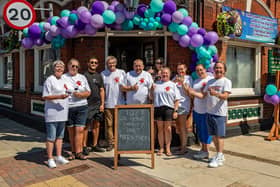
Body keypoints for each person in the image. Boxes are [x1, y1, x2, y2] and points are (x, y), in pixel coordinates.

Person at [189, 62, 231, 168]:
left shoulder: (226, 81)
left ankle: (220, 156)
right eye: (216, 68)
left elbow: (225, 96)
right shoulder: (210, 81)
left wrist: (216, 94)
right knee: (214, 136)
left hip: (219, 113)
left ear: (224, 70)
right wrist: (191, 91)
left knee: (219, 136)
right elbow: (203, 95)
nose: (218, 70)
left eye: (220, 68)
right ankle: (218, 154)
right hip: (209, 112)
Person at [42, 60, 69, 168]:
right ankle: (50, 158)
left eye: (61, 67)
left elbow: (69, 90)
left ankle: (58, 156)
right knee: (51, 137)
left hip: (63, 112)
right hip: (52, 113)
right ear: (54, 68)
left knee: (60, 137)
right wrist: (59, 97)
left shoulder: (65, 79)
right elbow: (45, 96)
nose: (59, 69)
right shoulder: (49, 80)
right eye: (57, 67)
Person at [63, 58, 91, 160]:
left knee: (79, 130)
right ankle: (73, 151)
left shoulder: (82, 77)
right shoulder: (63, 77)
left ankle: (79, 152)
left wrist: (80, 95)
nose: (74, 68)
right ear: (68, 66)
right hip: (69, 107)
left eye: (76, 66)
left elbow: (88, 92)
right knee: (71, 130)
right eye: (72, 65)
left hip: (81, 106)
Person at [151, 67, 181, 156]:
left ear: (169, 74)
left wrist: (175, 111)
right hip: (158, 108)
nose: (164, 75)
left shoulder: (173, 85)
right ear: (160, 74)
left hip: (168, 108)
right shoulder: (156, 84)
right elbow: (151, 97)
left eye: (166, 73)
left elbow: (177, 99)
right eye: (163, 73)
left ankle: (168, 148)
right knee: (160, 129)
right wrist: (151, 90)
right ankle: (161, 148)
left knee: (168, 129)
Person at [188, 64, 213, 159]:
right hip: (197, 109)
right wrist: (188, 91)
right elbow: (193, 95)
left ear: (205, 69)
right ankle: (203, 149)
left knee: (206, 131)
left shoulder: (209, 80)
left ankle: (206, 151)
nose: (199, 72)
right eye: (197, 70)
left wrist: (192, 92)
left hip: (206, 110)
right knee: (200, 130)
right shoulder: (196, 81)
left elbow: (203, 95)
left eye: (201, 70)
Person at [101, 56, 126, 151]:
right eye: (109, 63)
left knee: (120, 124)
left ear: (116, 63)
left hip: (120, 103)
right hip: (108, 104)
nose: (111, 65)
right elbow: (102, 90)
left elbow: (125, 87)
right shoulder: (103, 74)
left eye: (113, 63)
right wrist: (102, 103)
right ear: (107, 64)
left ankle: (120, 142)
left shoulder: (122, 73)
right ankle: (110, 143)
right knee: (109, 125)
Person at [83, 57, 106, 155]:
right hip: (87, 104)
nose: (93, 64)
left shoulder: (99, 76)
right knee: (86, 126)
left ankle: (95, 145)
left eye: (95, 62)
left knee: (97, 125)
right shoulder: (84, 76)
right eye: (91, 62)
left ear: (97, 64)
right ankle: (84, 146)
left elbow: (101, 90)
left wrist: (102, 104)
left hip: (97, 105)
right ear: (88, 63)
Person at [172, 63, 192, 155]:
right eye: (179, 69)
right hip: (175, 105)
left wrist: (183, 83)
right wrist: (174, 82)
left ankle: (184, 147)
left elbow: (189, 93)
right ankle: (181, 145)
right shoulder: (174, 78)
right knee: (178, 126)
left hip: (183, 104)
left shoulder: (188, 78)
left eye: (182, 69)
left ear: (186, 69)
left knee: (182, 125)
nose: (181, 71)